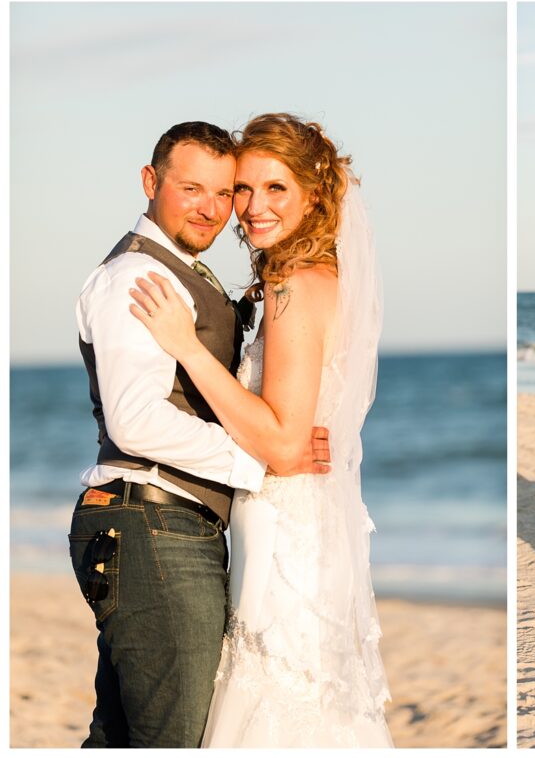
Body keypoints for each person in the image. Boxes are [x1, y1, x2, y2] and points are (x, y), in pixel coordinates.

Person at [129, 113, 391, 746]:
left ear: (314, 193)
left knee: (278, 695)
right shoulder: (326, 278)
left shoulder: (293, 284)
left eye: (276, 189)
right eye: (243, 189)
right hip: (303, 519)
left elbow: (279, 441)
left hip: (284, 526)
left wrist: (185, 348)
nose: (249, 207)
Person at [71, 121, 329, 747]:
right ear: (150, 182)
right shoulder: (137, 276)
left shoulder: (186, 271)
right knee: (173, 740)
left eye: (224, 192)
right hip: (152, 524)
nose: (213, 209)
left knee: (126, 737)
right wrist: (259, 464)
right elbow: (137, 420)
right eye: (192, 189)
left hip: (160, 526)